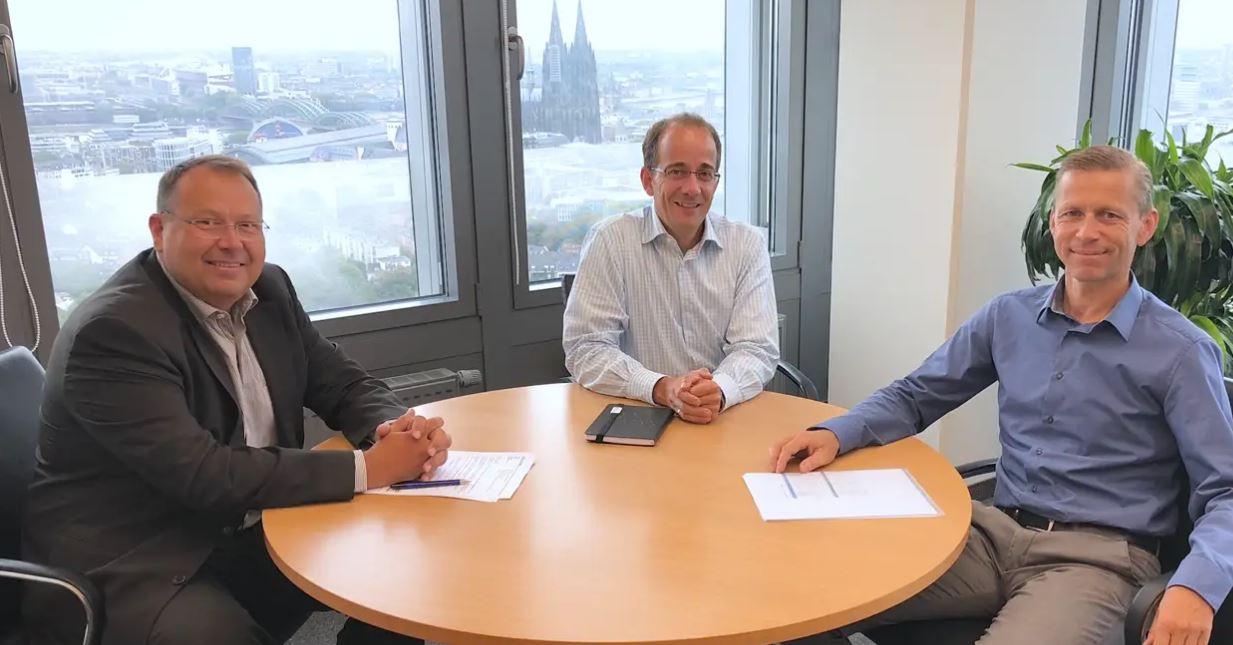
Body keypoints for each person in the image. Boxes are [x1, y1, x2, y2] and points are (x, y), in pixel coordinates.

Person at [770, 145, 1233, 645]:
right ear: (1052, 222)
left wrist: (1198, 587)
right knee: (800, 599)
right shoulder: (1008, 316)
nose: (1086, 231)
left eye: (1109, 216)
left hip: (1096, 562)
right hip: (989, 534)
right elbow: (917, 394)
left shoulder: (1181, 351)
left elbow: (1225, 491)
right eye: (1072, 213)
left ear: (1144, 227)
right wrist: (837, 432)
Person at [23, 155, 450, 645]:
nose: (232, 242)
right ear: (159, 230)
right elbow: (205, 474)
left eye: (247, 224)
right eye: (208, 222)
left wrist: (398, 428)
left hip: (243, 529)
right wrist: (371, 468)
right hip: (140, 558)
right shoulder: (115, 332)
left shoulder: (269, 289)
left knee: (399, 565)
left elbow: (340, 381)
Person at [562, 112, 779, 424]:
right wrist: (662, 387)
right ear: (648, 180)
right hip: (636, 419)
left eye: (705, 174)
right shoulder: (611, 241)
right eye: (677, 171)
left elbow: (757, 349)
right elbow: (587, 349)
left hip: (719, 418)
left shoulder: (746, 245)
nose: (693, 188)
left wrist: (718, 390)